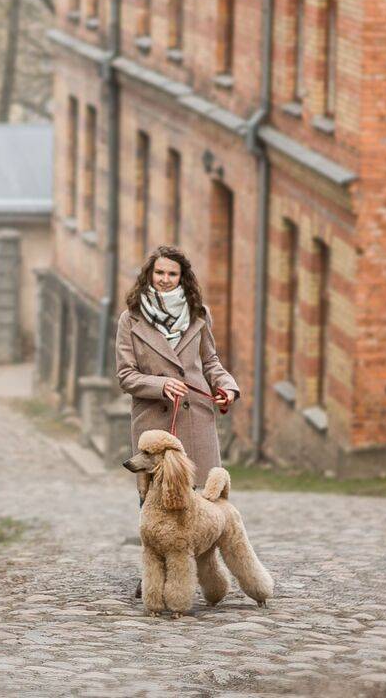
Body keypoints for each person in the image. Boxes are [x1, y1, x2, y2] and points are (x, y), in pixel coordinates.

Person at [116, 245, 240, 596]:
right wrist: (159, 384)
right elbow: (126, 375)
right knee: (153, 503)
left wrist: (227, 387)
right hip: (154, 425)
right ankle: (154, 577)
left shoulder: (199, 314)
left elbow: (211, 362)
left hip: (195, 420)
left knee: (200, 504)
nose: (165, 280)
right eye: (159, 273)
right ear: (149, 276)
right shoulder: (131, 319)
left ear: (182, 277)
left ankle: (204, 575)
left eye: (172, 274)